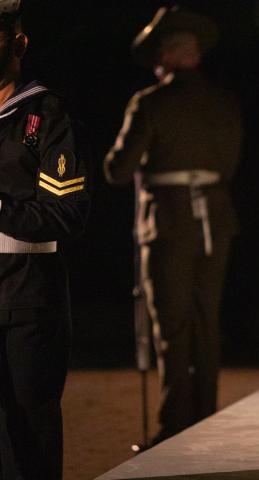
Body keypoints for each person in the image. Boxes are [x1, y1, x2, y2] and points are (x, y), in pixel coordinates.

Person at [104, 6, 242, 443]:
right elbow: (230, 164)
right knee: (207, 322)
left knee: (171, 328)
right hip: (216, 220)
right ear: (196, 55)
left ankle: (171, 431)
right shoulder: (225, 102)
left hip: (168, 224)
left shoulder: (149, 102)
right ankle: (207, 425)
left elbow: (117, 170)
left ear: (168, 55)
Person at [0, 1, 91, 478]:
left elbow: (66, 213)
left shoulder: (45, 113)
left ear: (18, 43)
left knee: (28, 433)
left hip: (27, 294)